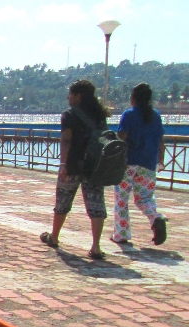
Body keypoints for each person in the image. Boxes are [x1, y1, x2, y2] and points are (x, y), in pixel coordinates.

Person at [40, 80, 109, 259]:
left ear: (78, 96)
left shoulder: (69, 115)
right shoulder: (99, 115)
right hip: (94, 166)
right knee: (96, 204)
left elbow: (66, 140)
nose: (67, 97)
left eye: (70, 94)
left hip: (73, 165)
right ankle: (96, 246)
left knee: (63, 200)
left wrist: (62, 164)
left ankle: (54, 237)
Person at [113, 83, 168, 246]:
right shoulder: (156, 115)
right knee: (144, 198)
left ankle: (121, 234)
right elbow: (160, 140)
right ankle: (155, 217)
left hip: (128, 163)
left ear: (133, 98)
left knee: (122, 199)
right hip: (148, 164)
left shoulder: (128, 114)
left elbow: (121, 137)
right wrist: (160, 160)